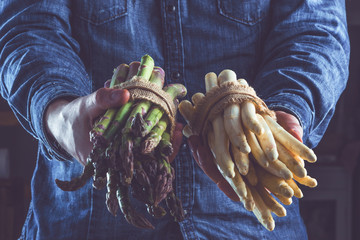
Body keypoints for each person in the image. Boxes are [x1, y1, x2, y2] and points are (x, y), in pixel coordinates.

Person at [0, 0, 349, 239]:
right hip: (86, 220)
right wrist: (61, 112)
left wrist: (287, 110)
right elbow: (29, 26)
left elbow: (314, 29)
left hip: (249, 219)